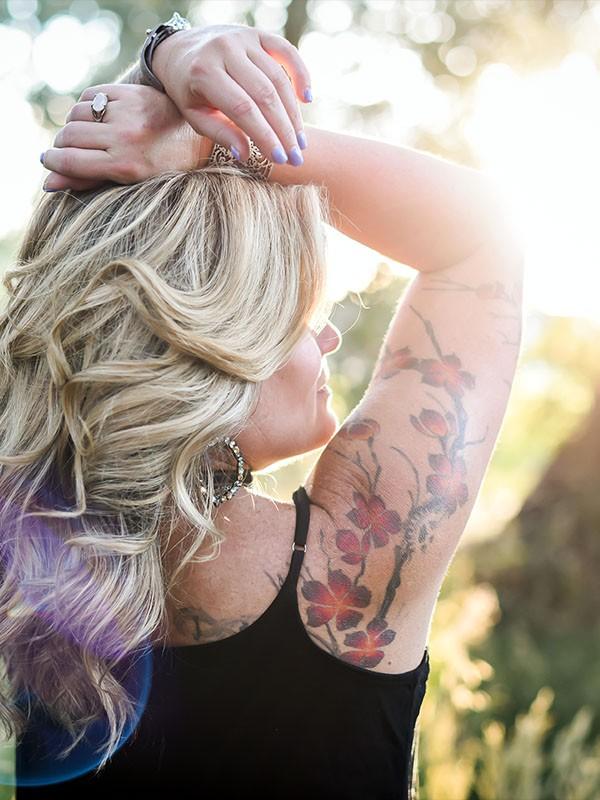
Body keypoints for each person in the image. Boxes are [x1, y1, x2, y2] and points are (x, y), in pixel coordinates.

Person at [3, 15, 525, 800]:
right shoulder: (353, 569)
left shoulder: (26, 556)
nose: (327, 334)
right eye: (296, 313)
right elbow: (482, 234)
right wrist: (216, 143)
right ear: (216, 336)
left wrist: (167, 54)